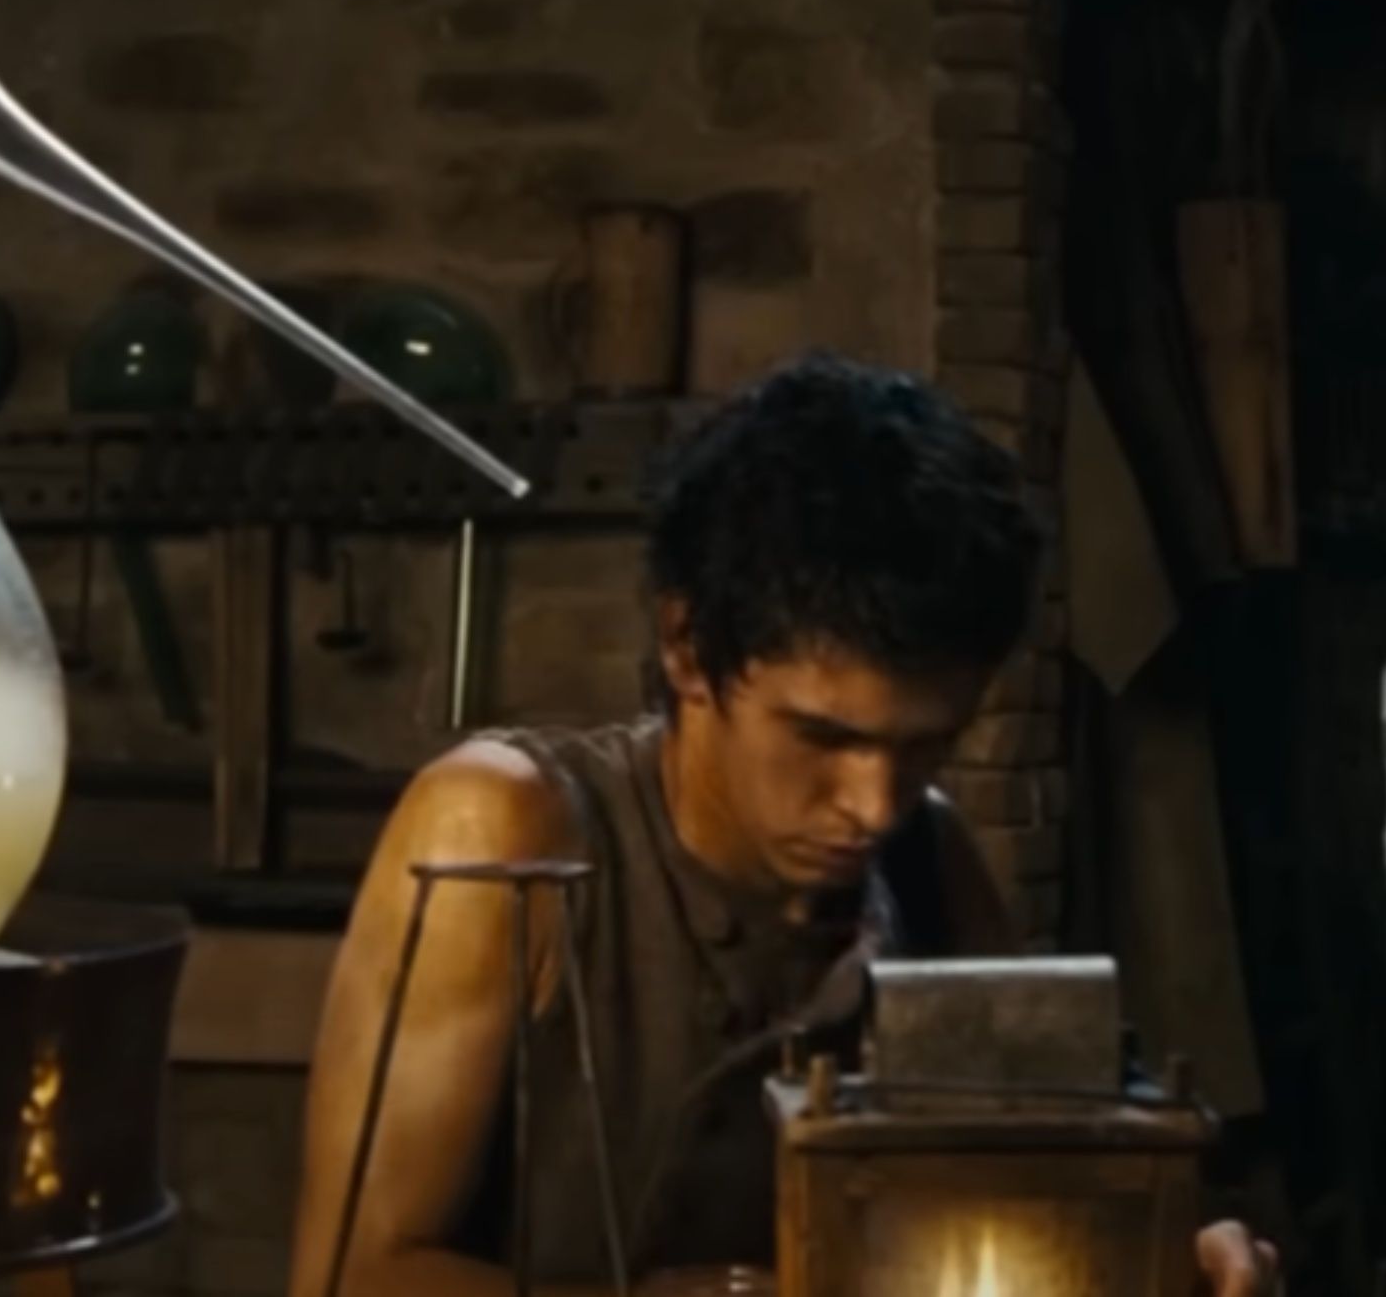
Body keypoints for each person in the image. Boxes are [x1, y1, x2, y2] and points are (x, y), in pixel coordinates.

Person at [287, 354, 1277, 1297]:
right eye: (823, 736)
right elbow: (349, 1281)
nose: (874, 806)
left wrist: (1170, 1248)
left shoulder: (927, 864)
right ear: (685, 645)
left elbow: (1037, 1181)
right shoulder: (502, 833)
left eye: (925, 745)